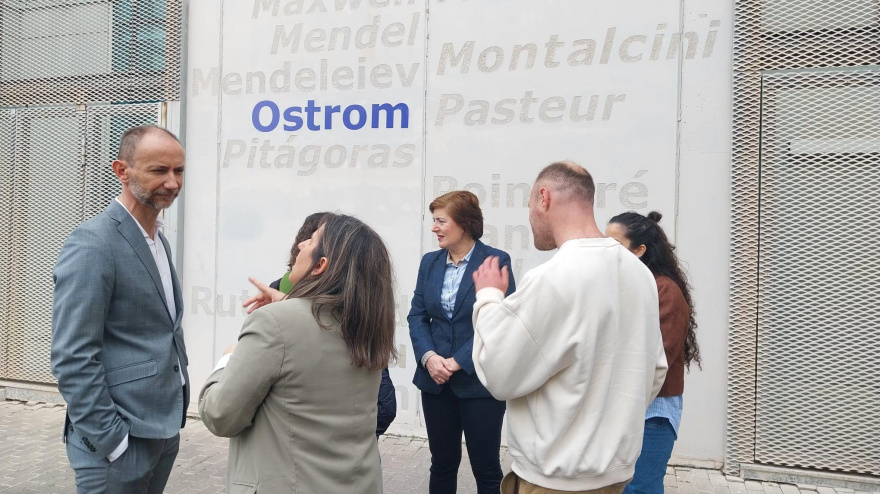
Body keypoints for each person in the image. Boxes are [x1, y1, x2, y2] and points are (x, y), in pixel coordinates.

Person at [471, 162, 668, 494]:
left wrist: (488, 297)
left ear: (544, 198)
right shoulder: (640, 275)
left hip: (555, 480)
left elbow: (499, 373)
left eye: (530, 205)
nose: (531, 217)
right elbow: (655, 370)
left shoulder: (554, 277)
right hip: (614, 477)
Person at [199, 214, 396, 493]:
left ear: (321, 265)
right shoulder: (369, 325)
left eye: (312, 240)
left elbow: (220, 415)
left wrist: (228, 359)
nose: (302, 243)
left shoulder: (273, 322)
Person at [50, 125, 189, 494]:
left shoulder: (158, 240)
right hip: (119, 442)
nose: (173, 183)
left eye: (179, 171)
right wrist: (113, 442)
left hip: (161, 431)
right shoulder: (93, 243)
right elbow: (72, 356)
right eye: (159, 171)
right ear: (121, 171)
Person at [408, 190, 516, 493]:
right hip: (435, 381)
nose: (434, 228)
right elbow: (417, 316)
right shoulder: (430, 263)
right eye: (433, 221)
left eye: (441, 221)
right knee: (442, 464)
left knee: (486, 469)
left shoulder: (494, 261)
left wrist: (458, 361)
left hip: (479, 383)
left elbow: (500, 320)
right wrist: (429, 357)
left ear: (465, 223)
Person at [268, 211, 397, 437]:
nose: (301, 245)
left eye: (312, 241)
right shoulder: (276, 294)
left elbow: (384, 408)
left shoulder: (356, 313)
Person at [606, 211, 701, 494]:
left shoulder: (665, 291)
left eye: (615, 246)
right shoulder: (624, 284)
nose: (606, 253)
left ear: (640, 250)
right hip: (624, 406)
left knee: (640, 488)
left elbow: (656, 359)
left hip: (653, 413)